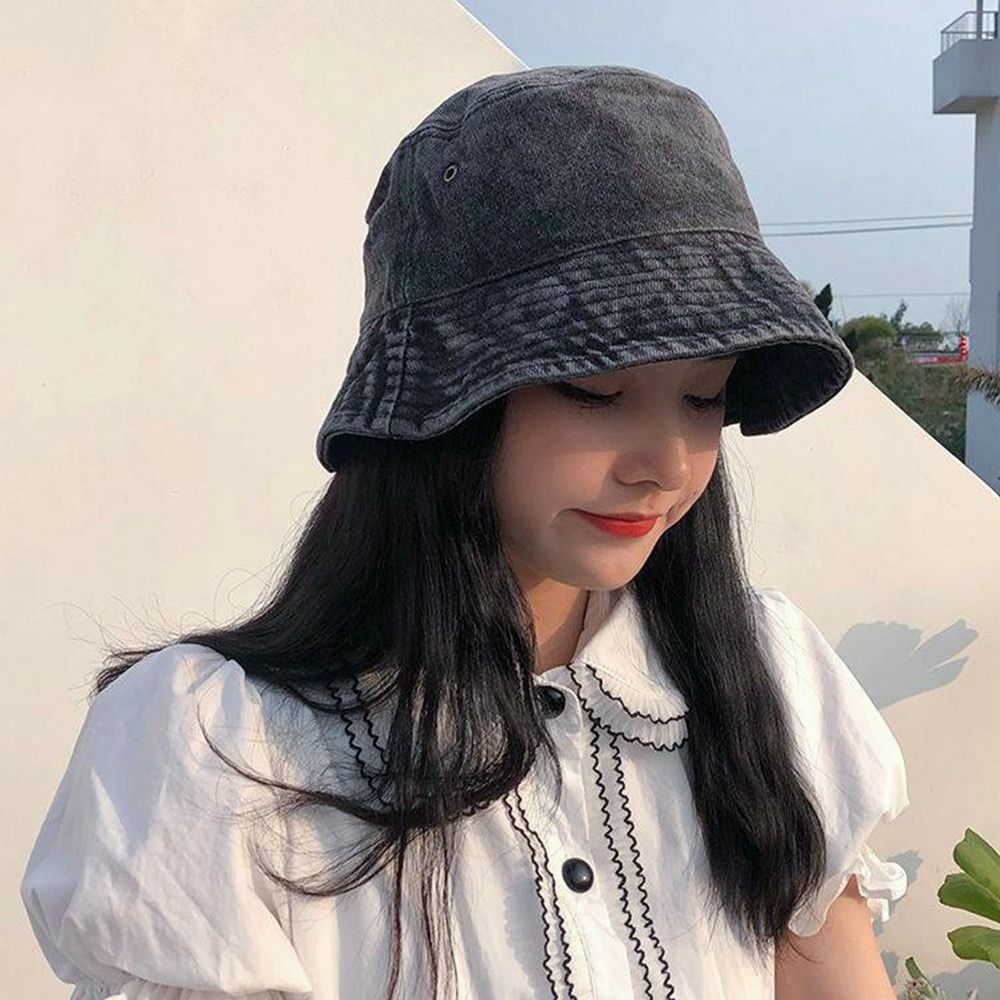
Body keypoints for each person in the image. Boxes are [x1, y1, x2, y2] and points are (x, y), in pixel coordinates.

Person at [20, 65, 909, 1000]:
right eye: (596, 389)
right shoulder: (219, 746)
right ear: (442, 404)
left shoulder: (764, 673)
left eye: (704, 397)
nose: (668, 461)